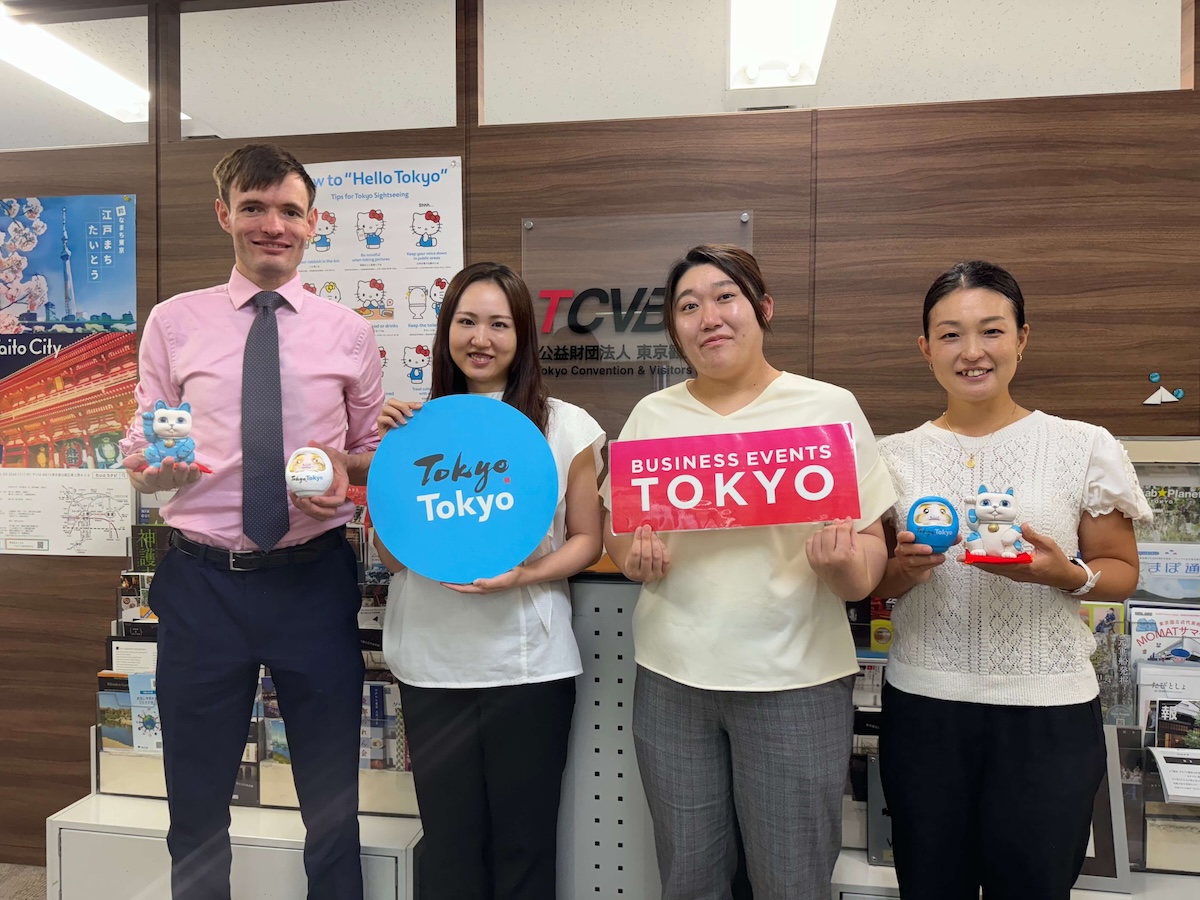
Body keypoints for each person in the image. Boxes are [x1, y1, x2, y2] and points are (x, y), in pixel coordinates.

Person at [118, 143, 384, 900]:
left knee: (332, 799)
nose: (273, 224)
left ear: (313, 223)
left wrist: (346, 473)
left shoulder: (349, 333)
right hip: (202, 585)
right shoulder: (174, 323)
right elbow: (149, 447)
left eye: (289, 211)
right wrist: (152, 473)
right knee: (197, 802)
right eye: (255, 207)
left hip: (312, 579)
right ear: (225, 215)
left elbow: (367, 456)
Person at [600, 244, 896, 900]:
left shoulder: (827, 408)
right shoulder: (654, 417)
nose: (709, 316)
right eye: (688, 305)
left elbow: (869, 562)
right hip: (673, 680)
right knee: (688, 878)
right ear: (674, 328)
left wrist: (846, 566)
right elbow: (622, 538)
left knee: (792, 881)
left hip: (797, 682)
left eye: (725, 297)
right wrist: (633, 558)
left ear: (763, 308)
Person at [873, 260, 1150, 900]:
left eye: (991, 331)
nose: (972, 352)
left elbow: (1122, 571)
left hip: (1048, 716)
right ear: (925, 348)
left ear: (1023, 337)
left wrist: (1066, 574)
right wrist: (904, 570)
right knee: (928, 885)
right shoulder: (890, 457)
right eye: (950, 334)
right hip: (924, 707)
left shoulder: (1083, 445)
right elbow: (872, 581)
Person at [373, 262, 605, 900]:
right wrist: (388, 466)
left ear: (523, 335)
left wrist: (526, 574)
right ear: (446, 331)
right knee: (448, 844)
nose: (482, 338)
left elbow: (589, 540)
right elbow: (397, 559)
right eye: (467, 321)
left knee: (525, 846)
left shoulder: (566, 425)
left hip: (528, 670)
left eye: (499, 324)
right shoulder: (417, 429)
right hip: (431, 664)